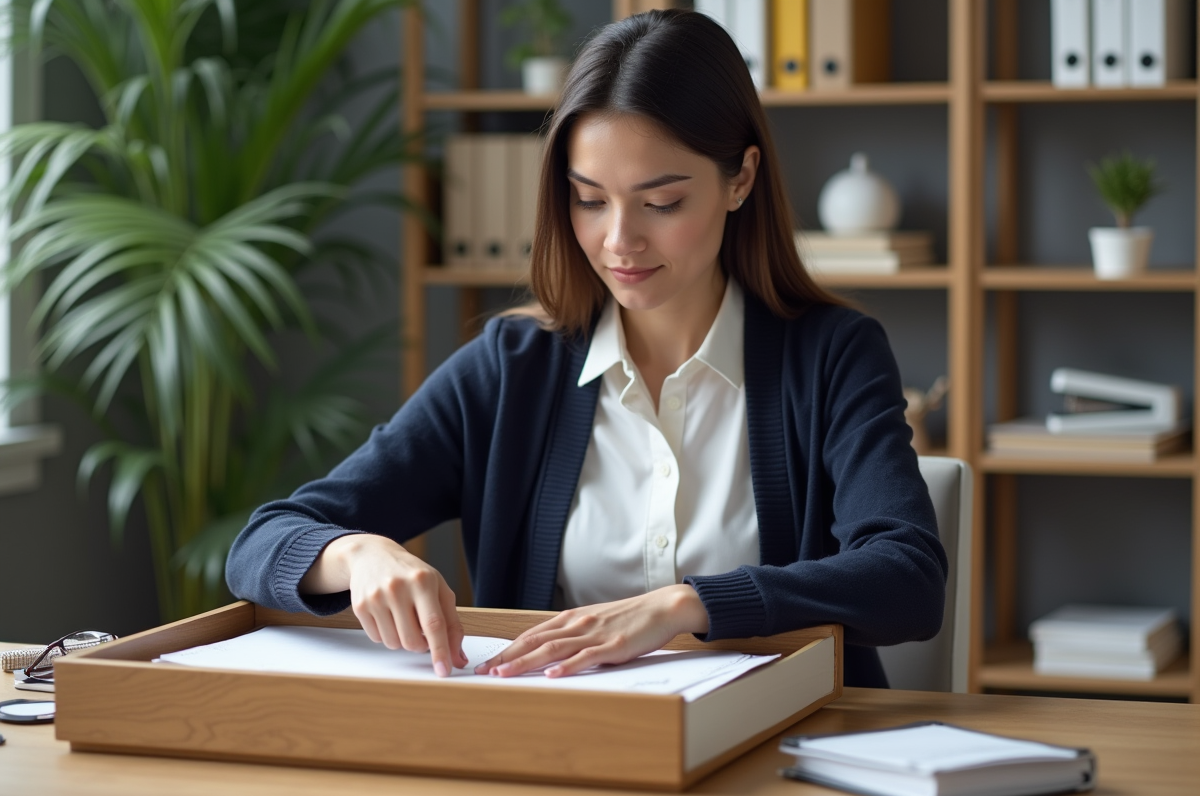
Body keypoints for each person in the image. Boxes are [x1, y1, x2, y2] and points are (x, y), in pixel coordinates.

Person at [225, 9, 946, 689]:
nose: (618, 240)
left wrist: (683, 606)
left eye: (661, 202)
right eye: (589, 199)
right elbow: (262, 541)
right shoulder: (510, 369)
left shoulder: (832, 356)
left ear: (741, 179)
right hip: (563, 750)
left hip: (774, 749)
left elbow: (906, 578)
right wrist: (356, 553)